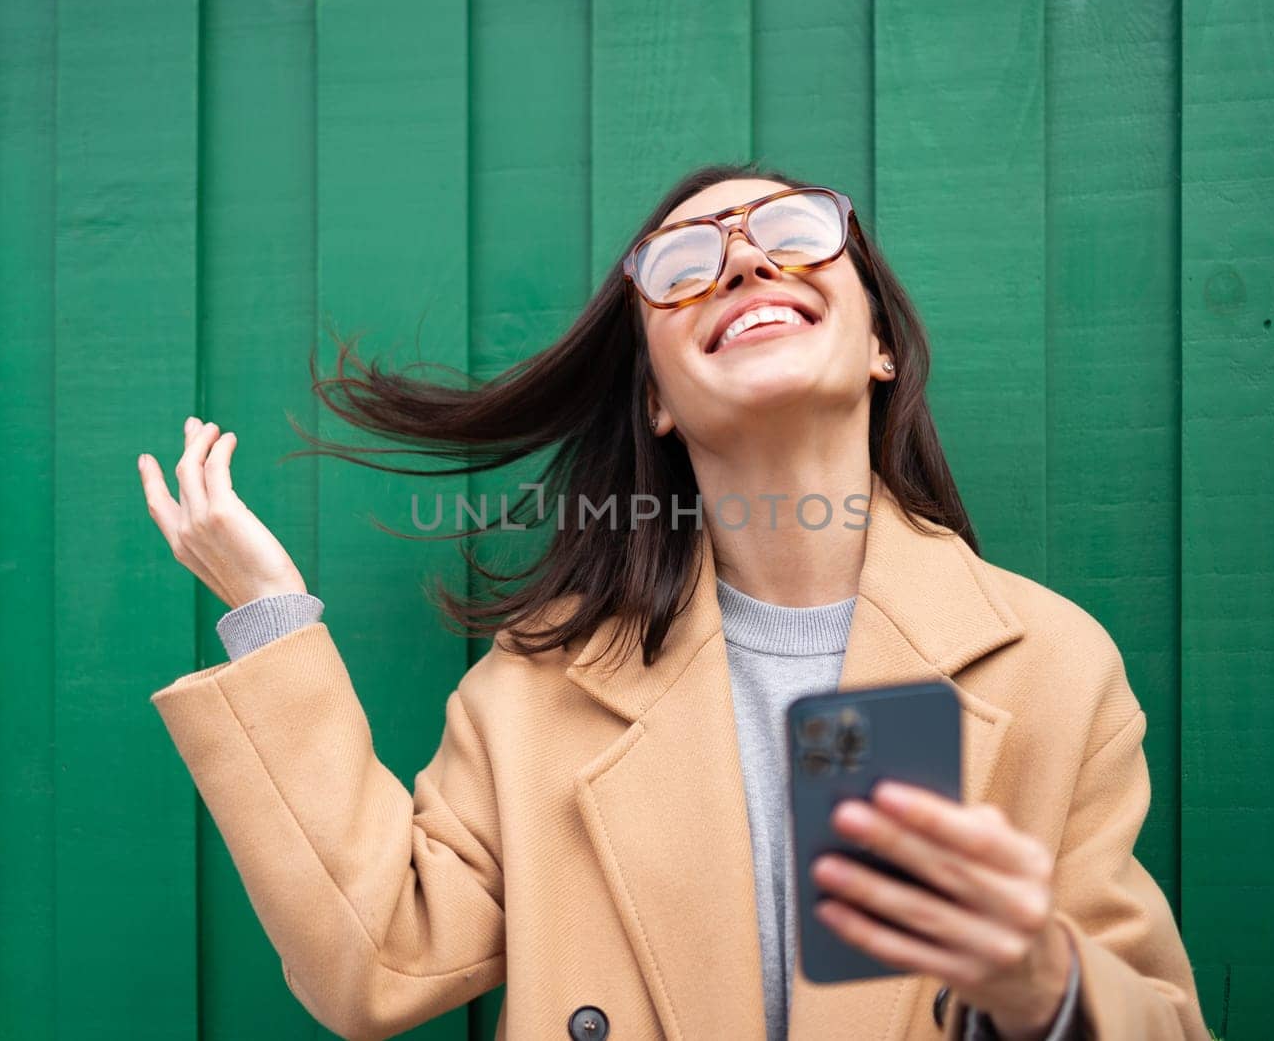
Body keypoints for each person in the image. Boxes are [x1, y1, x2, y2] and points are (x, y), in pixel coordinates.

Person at [137, 163, 1208, 1040]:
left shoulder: (1053, 664)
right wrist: (269, 610)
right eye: (685, 264)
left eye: (793, 230)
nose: (744, 258)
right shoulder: (540, 686)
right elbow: (376, 957)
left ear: (881, 342)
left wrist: (1042, 981)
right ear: (653, 398)